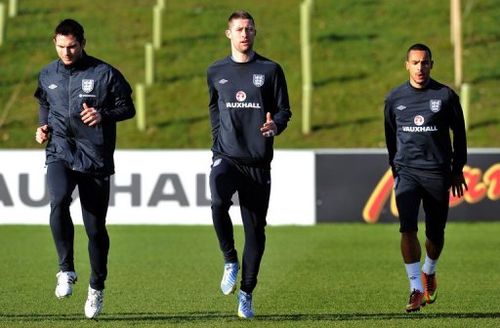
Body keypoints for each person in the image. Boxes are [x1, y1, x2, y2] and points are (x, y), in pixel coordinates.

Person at [34, 18, 135, 319]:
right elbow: (44, 102)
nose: (67, 52)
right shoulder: (47, 73)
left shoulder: (104, 73)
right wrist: (43, 126)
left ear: (83, 43)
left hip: (95, 158)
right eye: (62, 46)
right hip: (60, 151)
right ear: (55, 42)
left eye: (72, 46)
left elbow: (128, 108)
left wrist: (102, 114)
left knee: (95, 229)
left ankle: (96, 287)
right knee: (59, 199)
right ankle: (65, 270)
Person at [206, 10, 292, 319]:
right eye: (239, 29)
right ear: (228, 33)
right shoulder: (215, 71)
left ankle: (246, 293)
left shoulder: (270, 70)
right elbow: (214, 110)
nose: (245, 34)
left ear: (255, 33)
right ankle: (230, 259)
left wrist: (275, 127)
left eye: (250, 29)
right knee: (217, 200)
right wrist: (218, 143)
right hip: (227, 157)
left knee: (255, 232)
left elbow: (284, 110)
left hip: (257, 161)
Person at [384, 43, 468, 312]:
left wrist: (457, 169)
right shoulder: (394, 98)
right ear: (406, 64)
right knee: (407, 227)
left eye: (425, 62)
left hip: (437, 173)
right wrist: (396, 169)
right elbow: (390, 138)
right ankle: (415, 289)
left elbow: (460, 135)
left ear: (432, 64)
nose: (420, 67)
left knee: (435, 233)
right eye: (415, 62)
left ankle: (429, 271)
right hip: (407, 172)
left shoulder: (445, 96)